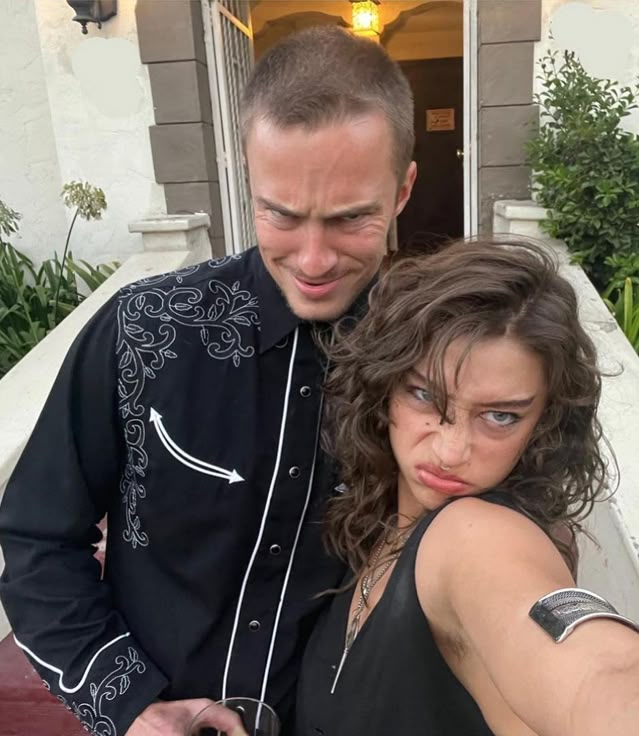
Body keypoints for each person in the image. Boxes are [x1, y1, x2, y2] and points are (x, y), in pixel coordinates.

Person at [0, 26, 416, 736]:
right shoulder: (141, 331)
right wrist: (127, 704)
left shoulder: (433, 357)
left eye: (351, 219)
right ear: (245, 175)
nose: (313, 258)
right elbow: (38, 536)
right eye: (281, 214)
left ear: (404, 189)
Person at [296, 239, 639, 736]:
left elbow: (609, 683)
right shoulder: (376, 522)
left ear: (543, 423)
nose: (451, 450)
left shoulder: (475, 537)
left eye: (500, 416)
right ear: (384, 387)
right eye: (423, 395)